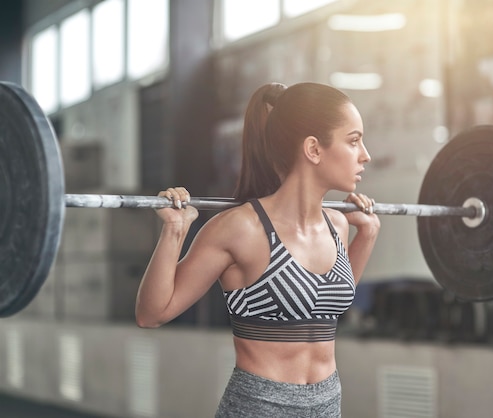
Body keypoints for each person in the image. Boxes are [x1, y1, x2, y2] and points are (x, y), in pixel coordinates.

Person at [135, 82, 380, 417]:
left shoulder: (337, 225)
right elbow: (152, 314)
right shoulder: (241, 228)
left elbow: (326, 305)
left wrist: (367, 235)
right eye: (353, 141)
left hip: (327, 406)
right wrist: (174, 231)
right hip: (260, 408)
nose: (365, 154)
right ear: (313, 149)